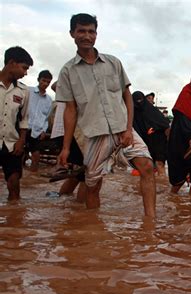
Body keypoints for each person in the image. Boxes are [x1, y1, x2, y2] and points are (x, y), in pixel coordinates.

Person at [55, 13, 156, 217]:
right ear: (72, 34)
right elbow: (71, 111)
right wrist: (65, 148)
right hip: (94, 134)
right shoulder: (67, 71)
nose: (87, 35)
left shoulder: (113, 62)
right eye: (81, 31)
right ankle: (94, 229)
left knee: (146, 166)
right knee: (92, 184)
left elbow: (127, 97)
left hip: (123, 129)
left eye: (91, 31)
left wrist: (128, 129)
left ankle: (150, 223)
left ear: (96, 34)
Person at [0, 46, 33, 201]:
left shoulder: (23, 91)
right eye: (24, 68)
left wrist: (21, 141)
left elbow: (24, 119)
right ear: (12, 63)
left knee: (14, 182)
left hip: (11, 143)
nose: (25, 73)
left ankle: (15, 218)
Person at [47, 81, 86, 202]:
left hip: (65, 132)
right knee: (89, 175)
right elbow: (55, 86)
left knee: (79, 173)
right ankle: (81, 211)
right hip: (69, 133)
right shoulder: (73, 75)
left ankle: (62, 199)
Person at [132, 91, 170, 175]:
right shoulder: (134, 114)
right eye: (136, 101)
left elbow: (165, 125)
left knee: (159, 165)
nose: (139, 102)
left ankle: (163, 186)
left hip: (160, 143)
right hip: (146, 145)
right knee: (148, 168)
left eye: (140, 100)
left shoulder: (153, 111)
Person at [26, 70, 53, 172]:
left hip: (37, 131)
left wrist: (43, 131)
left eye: (48, 82)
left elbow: (46, 118)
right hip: (24, 127)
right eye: (43, 80)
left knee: (36, 155)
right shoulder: (28, 91)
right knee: (18, 153)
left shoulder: (49, 100)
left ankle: (32, 177)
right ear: (38, 79)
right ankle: (19, 178)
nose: (45, 84)